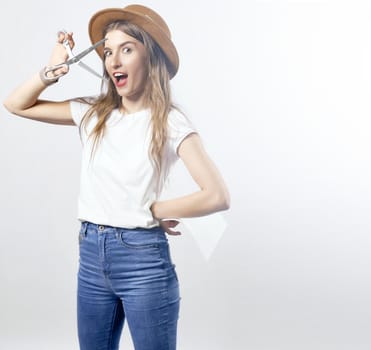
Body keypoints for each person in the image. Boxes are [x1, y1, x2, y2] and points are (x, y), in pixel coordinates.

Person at [3, 4, 230, 350]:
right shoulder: (93, 114)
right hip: (91, 258)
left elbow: (216, 195)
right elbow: (16, 105)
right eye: (108, 51)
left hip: (143, 260)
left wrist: (155, 209)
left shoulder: (169, 122)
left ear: (150, 57)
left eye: (126, 49)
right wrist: (50, 71)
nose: (114, 61)